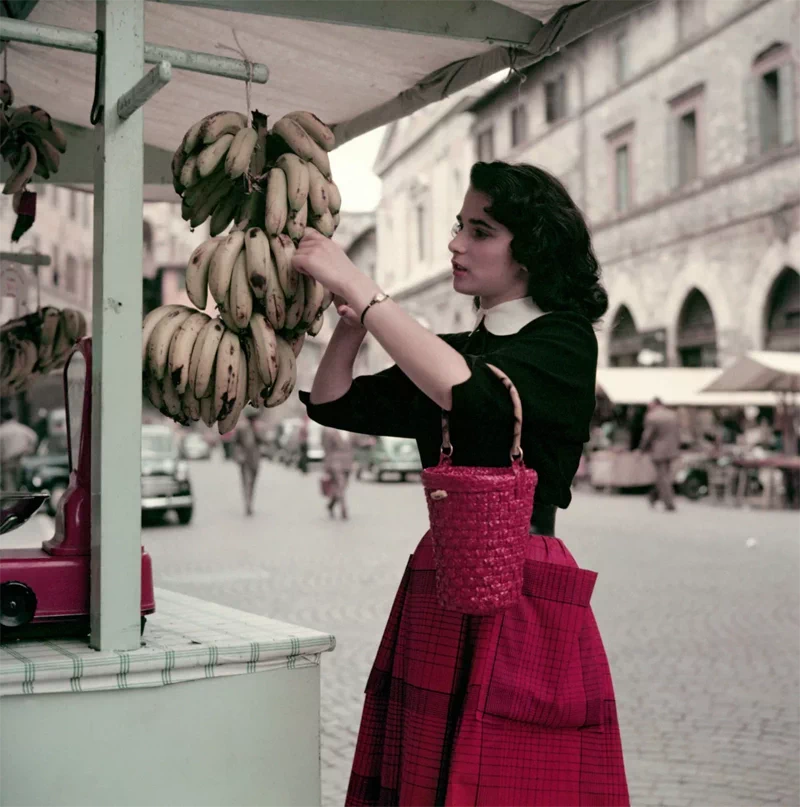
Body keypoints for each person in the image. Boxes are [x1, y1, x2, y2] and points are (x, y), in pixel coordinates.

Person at [293, 161, 629, 805]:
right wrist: (352, 326)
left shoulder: (563, 341)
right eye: (459, 227)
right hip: (442, 575)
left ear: (527, 250)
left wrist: (367, 292)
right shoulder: (448, 347)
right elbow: (333, 401)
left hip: (524, 579)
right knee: (426, 772)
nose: (457, 244)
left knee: (516, 776)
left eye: (482, 231)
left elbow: (473, 394)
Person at [640, 397, 680, 512]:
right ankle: (654, 496)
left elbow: (647, 436)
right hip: (672, 449)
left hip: (658, 450)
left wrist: (641, 449)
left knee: (663, 477)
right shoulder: (673, 415)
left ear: (655, 404)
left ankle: (669, 502)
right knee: (664, 475)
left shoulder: (652, 417)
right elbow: (677, 433)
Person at [231, 409, 261, 516]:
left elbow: (262, 441)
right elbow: (235, 443)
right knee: (247, 482)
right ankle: (248, 504)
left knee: (252, 483)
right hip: (245, 460)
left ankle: (250, 502)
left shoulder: (256, 428)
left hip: (255, 460)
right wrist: (238, 455)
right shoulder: (241, 428)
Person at [320, 427, 354, 519]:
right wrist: (327, 465)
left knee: (343, 486)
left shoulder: (351, 431)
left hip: (347, 462)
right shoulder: (330, 432)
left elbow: (357, 442)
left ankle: (331, 504)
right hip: (335, 462)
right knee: (341, 484)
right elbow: (327, 449)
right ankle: (344, 509)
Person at [0, 411, 37, 491]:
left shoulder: (2, 430)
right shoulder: (22, 428)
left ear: (3, 419)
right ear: (14, 417)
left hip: (7, 461)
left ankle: (11, 502)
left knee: (9, 485)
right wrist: (30, 450)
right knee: (21, 484)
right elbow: (34, 437)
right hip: (22, 459)